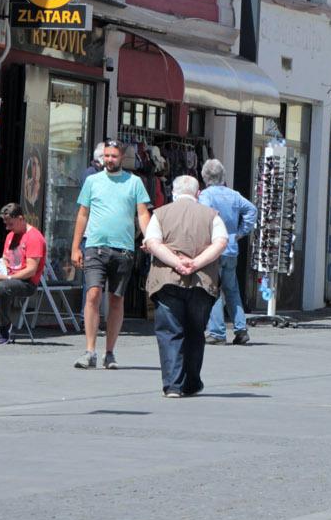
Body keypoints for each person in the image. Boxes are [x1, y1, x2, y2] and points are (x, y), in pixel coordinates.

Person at [143, 175, 228, 397]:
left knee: (170, 331)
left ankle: (173, 385)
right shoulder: (212, 216)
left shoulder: (160, 214)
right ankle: (191, 382)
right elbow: (221, 242)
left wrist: (175, 262)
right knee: (195, 331)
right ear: (198, 193)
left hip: (167, 281)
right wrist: (196, 263)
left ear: (173, 192)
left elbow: (152, 242)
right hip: (201, 283)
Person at [71, 140, 151, 369]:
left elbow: (143, 214)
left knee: (116, 300)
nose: (109, 160)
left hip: (123, 249)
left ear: (121, 158)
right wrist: (75, 246)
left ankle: (110, 352)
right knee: (93, 295)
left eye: (114, 156)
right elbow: (82, 214)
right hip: (94, 247)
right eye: (106, 156)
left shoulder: (134, 182)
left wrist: (148, 237)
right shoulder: (92, 181)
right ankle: (89, 351)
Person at [197, 158, 258, 346]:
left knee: (213, 288)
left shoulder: (206, 196)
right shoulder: (234, 195)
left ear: (205, 177)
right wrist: (240, 232)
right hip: (231, 248)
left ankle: (216, 331)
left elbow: (203, 217)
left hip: (213, 248)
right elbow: (252, 210)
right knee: (232, 290)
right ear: (223, 176)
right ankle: (241, 329)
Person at [0, 203, 45, 344]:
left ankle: (4, 327)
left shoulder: (34, 237)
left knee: (3, 286)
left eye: (11, 224)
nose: (7, 228)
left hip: (27, 283)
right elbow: (5, 258)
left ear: (21, 219)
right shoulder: (10, 236)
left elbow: (31, 270)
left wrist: (6, 277)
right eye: (6, 224)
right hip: (8, 276)